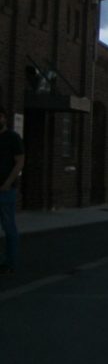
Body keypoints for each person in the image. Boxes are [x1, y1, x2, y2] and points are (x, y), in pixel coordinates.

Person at [0, 106, 25, 274]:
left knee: (8, 226)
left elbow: (20, 162)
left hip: (6, 190)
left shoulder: (13, 138)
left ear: (3, 118)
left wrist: (8, 183)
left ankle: (11, 262)